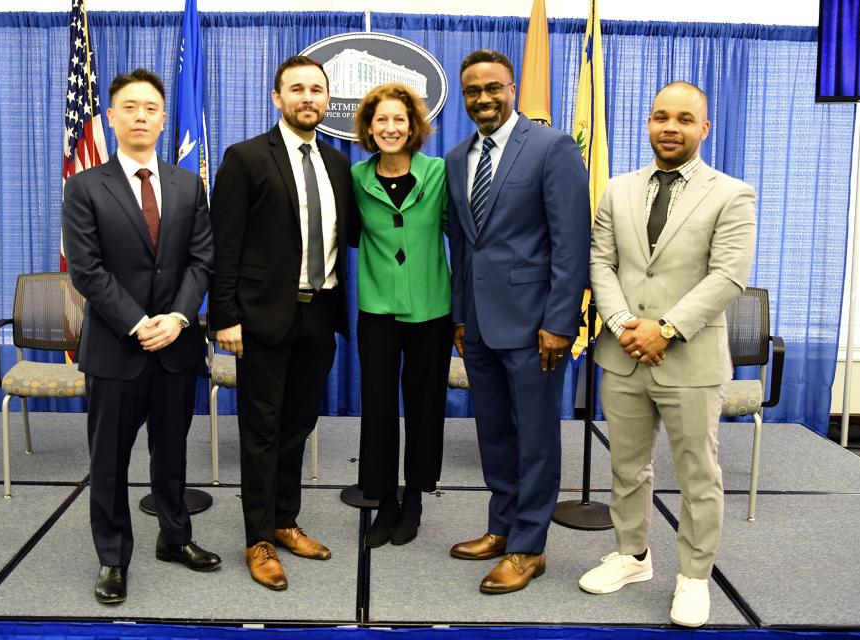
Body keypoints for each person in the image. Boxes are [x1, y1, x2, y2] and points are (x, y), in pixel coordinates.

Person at [579, 82, 756, 627]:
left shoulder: (732, 193)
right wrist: (624, 324)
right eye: (660, 117)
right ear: (648, 124)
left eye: (684, 119)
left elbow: (728, 276)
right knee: (627, 468)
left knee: (698, 473)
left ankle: (693, 577)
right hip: (624, 352)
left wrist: (668, 329)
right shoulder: (618, 189)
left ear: (705, 128)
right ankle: (633, 557)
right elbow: (601, 262)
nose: (670, 127)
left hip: (690, 360)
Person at [62, 68, 219, 605]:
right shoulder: (85, 186)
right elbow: (87, 270)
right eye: (129, 107)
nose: (141, 116)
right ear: (111, 117)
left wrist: (176, 319)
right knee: (109, 461)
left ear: (163, 118)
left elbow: (203, 259)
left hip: (176, 346)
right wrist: (137, 322)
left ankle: (175, 539)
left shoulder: (188, 184)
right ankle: (112, 557)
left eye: (151, 108)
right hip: (116, 347)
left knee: (171, 453)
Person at [445, 50, 591, 594]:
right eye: (472, 91)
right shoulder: (459, 156)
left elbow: (571, 243)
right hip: (479, 326)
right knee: (494, 435)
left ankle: (530, 547)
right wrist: (461, 318)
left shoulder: (552, 148)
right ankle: (501, 527)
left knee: (535, 439)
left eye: (493, 88)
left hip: (536, 328)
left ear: (512, 89)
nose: (482, 98)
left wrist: (560, 323)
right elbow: (462, 246)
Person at [209, 56, 353, 591]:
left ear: (326, 99)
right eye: (297, 89)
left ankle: (285, 520)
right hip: (262, 318)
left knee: (297, 426)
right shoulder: (245, 158)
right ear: (277, 98)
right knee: (261, 431)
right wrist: (224, 317)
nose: (308, 98)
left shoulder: (339, 164)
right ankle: (258, 538)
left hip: (320, 315)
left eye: (316, 89)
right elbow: (224, 245)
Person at [350, 83, 452, 548]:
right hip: (378, 311)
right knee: (378, 407)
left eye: (399, 119)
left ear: (413, 127)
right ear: (369, 129)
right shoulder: (355, 178)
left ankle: (415, 497)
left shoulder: (439, 174)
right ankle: (384, 500)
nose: (390, 128)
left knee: (425, 405)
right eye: (381, 120)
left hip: (431, 310)